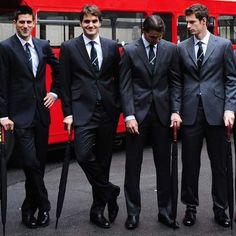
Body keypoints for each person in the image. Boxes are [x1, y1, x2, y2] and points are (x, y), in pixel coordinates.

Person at [59, 4, 120, 229]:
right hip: (82, 111)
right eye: (86, 21)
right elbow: (64, 84)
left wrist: (119, 106)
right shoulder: (69, 47)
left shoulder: (112, 46)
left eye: (94, 21)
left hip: (107, 112)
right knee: (83, 155)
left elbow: (117, 79)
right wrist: (67, 113)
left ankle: (98, 210)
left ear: (100, 23)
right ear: (81, 23)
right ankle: (110, 192)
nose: (90, 25)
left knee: (103, 162)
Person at [119, 15, 182, 230]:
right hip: (137, 116)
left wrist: (175, 111)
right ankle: (133, 214)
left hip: (163, 116)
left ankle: (165, 212)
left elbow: (175, 82)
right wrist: (129, 116)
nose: (156, 40)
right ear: (144, 31)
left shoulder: (170, 49)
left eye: (160, 37)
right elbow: (125, 86)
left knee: (164, 167)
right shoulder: (129, 50)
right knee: (132, 167)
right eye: (152, 37)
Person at [0, 6, 60, 228]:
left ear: (34, 23)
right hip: (19, 117)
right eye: (21, 22)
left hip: (41, 115)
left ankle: (29, 211)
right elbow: (2, 84)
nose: (25, 26)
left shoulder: (43, 45)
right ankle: (45, 205)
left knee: (39, 166)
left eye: (29, 22)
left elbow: (59, 70)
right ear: (14, 23)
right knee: (30, 162)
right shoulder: (5, 47)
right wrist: (3, 115)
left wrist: (54, 92)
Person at [177, 4, 236, 228]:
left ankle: (220, 209)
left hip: (218, 114)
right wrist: (176, 109)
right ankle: (190, 208)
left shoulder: (223, 46)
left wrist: (230, 109)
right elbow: (177, 82)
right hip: (191, 113)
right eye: (187, 22)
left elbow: (231, 79)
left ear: (204, 21)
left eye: (192, 22)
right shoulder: (181, 48)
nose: (188, 26)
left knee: (220, 165)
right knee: (189, 164)